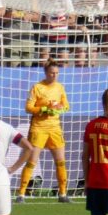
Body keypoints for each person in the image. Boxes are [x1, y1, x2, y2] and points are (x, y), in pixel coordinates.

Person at [17, 60, 71, 202]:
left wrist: (60, 107)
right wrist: (43, 109)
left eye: (57, 73)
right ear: (46, 73)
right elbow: (28, 107)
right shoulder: (37, 87)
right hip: (39, 128)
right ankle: (21, 194)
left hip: (55, 128)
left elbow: (66, 106)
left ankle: (63, 194)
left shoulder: (60, 88)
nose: (55, 75)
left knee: (60, 161)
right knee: (32, 161)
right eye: (52, 73)